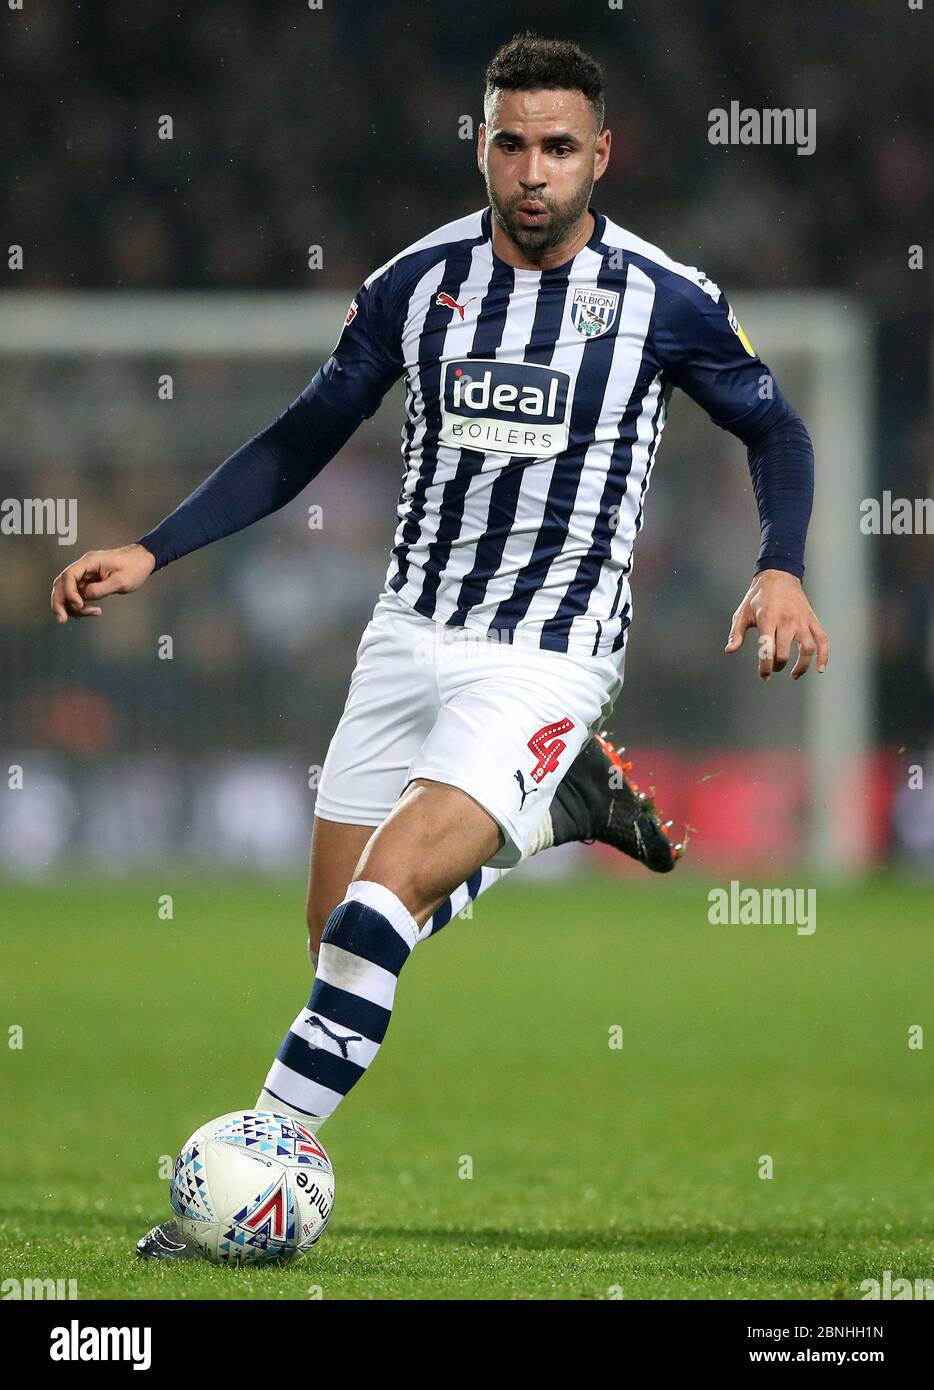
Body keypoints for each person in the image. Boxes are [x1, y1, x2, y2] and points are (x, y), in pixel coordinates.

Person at [50, 32, 826, 1261]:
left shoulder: (661, 301)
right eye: (510, 141)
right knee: (337, 947)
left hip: (549, 657)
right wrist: (157, 549)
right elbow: (303, 433)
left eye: (558, 148)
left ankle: (248, 1180)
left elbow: (776, 427)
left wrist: (779, 562)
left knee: (375, 911)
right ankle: (559, 808)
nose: (532, 170)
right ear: (481, 140)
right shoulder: (418, 283)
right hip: (406, 640)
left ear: (600, 156)